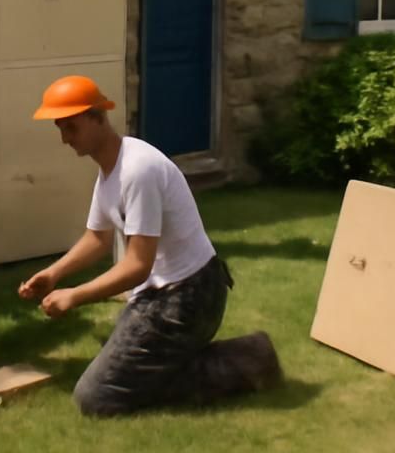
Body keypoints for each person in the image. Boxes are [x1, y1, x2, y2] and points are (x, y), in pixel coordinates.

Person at [18, 75, 282, 416]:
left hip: (190, 297)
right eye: (60, 129)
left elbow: (136, 265)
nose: (65, 138)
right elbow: (97, 239)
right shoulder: (110, 172)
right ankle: (185, 360)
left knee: (95, 398)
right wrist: (53, 275)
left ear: (98, 117)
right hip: (163, 294)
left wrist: (75, 295)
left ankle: (249, 359)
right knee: (122, 359)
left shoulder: (138, 170)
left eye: (71, 127)